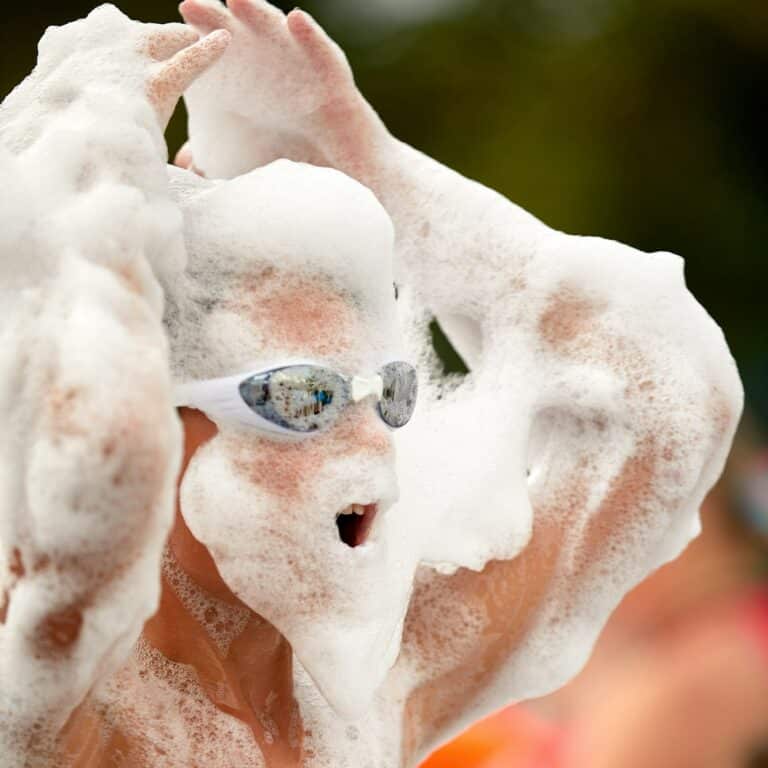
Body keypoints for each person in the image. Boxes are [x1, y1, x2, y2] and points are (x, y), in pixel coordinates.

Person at [0, 2, 742, 766]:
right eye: (301, 398)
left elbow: (670, 400)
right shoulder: (68, 702)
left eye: (389, 391)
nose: (369, 444)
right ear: (160, 406)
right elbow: (95, 471)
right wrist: (82, 213)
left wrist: (362, 158)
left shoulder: (377, 686)